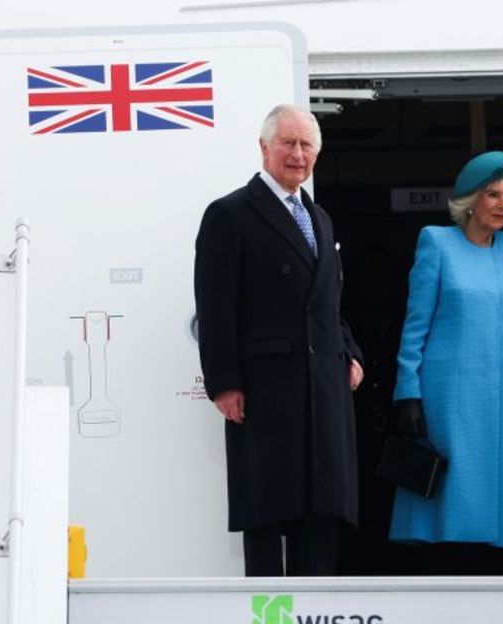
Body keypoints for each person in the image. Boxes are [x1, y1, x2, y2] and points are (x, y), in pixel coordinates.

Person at [193, 104, 364, 576]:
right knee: (268, 517)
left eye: (307, 145)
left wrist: (348, 352)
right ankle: (270, 614)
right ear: (264, 147)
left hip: (323, 388)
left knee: (322, 515)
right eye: (287, 142)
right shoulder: (229, 214)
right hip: (267, 390)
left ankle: (315, 613)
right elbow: (214, 306)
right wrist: (224, 383)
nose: (297, 153)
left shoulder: (320, 218)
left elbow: (328, 301)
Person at [389, 151, 503, 574]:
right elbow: (415, 325)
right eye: (492, 194)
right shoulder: (437, 242)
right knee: (454, 511)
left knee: (499, 516)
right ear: (471, 200)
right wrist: (408, 392)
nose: (502, 204)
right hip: (449, 399)